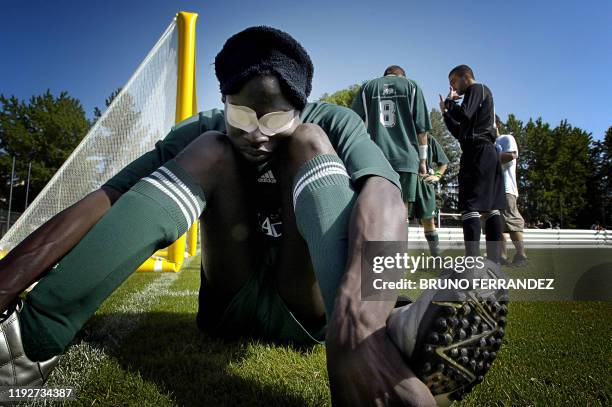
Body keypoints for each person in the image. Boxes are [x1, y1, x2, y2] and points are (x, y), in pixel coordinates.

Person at [0, 30, 507, 406]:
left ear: (301, 106)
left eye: (276, 118)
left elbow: (384, 197)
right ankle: (26, 347)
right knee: (211, 149)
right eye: (242, 114)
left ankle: (379, 331)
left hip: (306, 301)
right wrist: (7, 279)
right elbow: (106, 198)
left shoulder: (327, 122)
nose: (258, 133)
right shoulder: (207, 128)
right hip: (230, 298)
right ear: (224, 100)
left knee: (310, 147)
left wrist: (358, 322)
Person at [438, 65, 506, 263]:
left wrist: (450, 103)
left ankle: (473, 261)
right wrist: (445, 114)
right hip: (484, 151)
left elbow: (464, 114)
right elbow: (460, 132)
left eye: (453, 82)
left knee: (470, 206)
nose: (453, 88)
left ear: (464, 77)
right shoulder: (475, 102)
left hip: (478, 152)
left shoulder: (477, 89)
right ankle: (494, 262)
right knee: (491, 206)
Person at [351, 65, 430, 212]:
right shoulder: (411, 86)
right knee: (401, 210)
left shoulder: (368, 86)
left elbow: (353, 121)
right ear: (402, 77)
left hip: (374, 157)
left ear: (385, 75)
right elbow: (422, 129)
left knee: (375, 208)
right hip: (406, 158)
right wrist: (423, 161)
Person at [495, 116, 528, 267]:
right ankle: (502, 257)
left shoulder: (506, 138)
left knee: (512, 222)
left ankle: (521, 256)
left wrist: (488, 159)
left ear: (496, 123)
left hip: (506, 188)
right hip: (492, 191)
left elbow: (511, 155)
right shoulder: (486, 144)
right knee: (498, 226)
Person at [411, 135, 449, 257]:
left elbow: (444, 162)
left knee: (429, 221)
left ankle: (436, 256)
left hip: (424, 184)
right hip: (406, 181)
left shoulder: (429, 139)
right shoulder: (401, 134)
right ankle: (397, 258)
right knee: (401, 219)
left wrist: (437, 175)